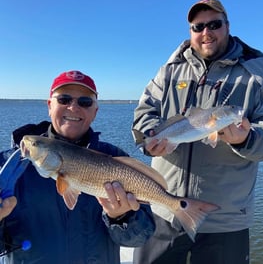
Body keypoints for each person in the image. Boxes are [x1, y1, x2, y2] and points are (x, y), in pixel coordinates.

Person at [132, 0, 263, 264]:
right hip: (164, 212)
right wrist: (149, 138)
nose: (206, 32)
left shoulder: (260, 71)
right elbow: (144, 114)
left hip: (224, 220)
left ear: (227, 26)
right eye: (198, 26)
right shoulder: (170, 70)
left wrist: (246, 139)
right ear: (190, 32)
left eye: (214, 24)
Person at [0, 70, 155, 264]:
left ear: (95, 111)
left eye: (85, 102)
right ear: (49, 105)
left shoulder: (116, 159)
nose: (73, 107)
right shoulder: (7, 167)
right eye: (64, 99)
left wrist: (121, 217)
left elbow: (140, 237)